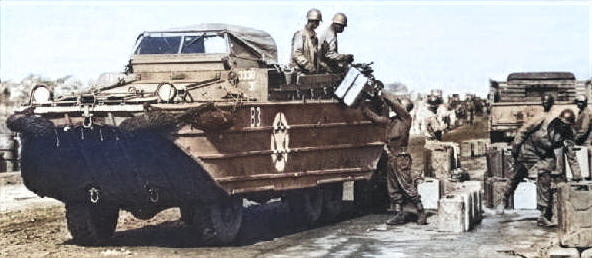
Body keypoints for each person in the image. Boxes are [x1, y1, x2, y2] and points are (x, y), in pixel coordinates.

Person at [500, 108, 581, 227]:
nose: (564, 127)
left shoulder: (568, 133)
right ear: (559, 120)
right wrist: (515, 148)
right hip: (529, 149)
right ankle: (503, 199)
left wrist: (577, 176)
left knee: (545, 179)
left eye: (567, 125)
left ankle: (543, 214)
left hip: (546, 154)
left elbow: (571, 155)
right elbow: (523, 131)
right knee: (517, 175)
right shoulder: (543, 120)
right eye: (562, 124)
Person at [361, 91, 427, 225]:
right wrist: (363, 108)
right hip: (391, 158)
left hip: (401, 158)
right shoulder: (391, 121)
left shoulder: (406, 119)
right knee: (393, 188)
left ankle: (421, 211)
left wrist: (383, 92)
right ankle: (400, 214)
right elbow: (376, 118)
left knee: (407, 186)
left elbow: (396, 105)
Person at [291, 8, 322, 74]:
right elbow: (297, 54)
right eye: (318, 22)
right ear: (313, 21)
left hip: (309, 73)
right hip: (299, 73)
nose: (318, 24)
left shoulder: (314, 37)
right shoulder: (300, 35)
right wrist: (308, 66)